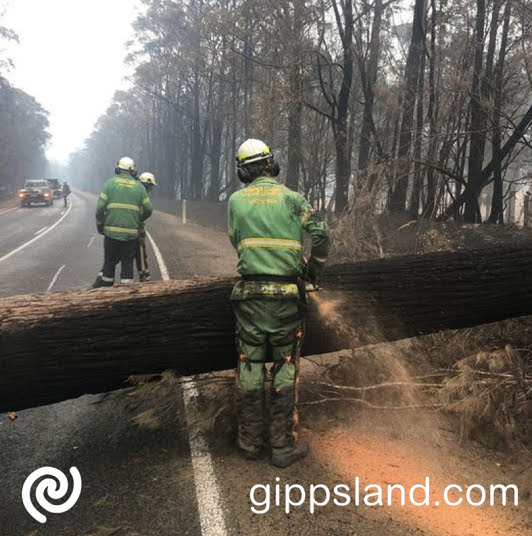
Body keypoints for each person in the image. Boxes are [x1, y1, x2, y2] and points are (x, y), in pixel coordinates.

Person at [228, 138, 330, 467]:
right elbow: (322, 234)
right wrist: (313, 270)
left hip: (250, 297)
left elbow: (236, 240)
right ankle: (282, 446)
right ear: (272, 163)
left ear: (243, 171)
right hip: (287, 297)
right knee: (285, 365)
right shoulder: (293, 199)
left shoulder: (235, 201)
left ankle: (249, 442)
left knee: (251, 363)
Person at [93, 157, 153, 287]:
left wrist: (100, 225)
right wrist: (138, 219)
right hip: (131, 235)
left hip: (111, 234)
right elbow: (148, 209)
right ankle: (126, 295)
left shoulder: (109, 184)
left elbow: (99, 208)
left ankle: (105, 292)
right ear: (133, 172)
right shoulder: (139, 188)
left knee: (109, 263)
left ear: (118, 169)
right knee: (127, 264)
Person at [136, 172, 157, 282]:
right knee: (139, 254)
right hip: (135, 229)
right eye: (151, 186)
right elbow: (147, 210)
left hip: (132, 227)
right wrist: (140, 220)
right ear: (146, 184)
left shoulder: (135, 190)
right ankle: (144, 277)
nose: (151, 188)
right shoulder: (141, 193)